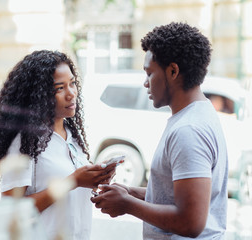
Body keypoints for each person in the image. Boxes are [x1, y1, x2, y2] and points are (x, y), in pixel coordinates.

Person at [91, 22, 228, 239]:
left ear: (173, 71)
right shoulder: (196, 114)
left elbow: (191, 222)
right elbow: (177, 198)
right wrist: (131, 193)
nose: (145, 83)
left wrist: (127, 205)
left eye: (149, 73)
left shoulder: (189, 130)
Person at [0, 50, 116, 240]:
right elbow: (11, 211)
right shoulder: (24, 142)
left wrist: (96, 178)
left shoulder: (73, 136)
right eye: (59, 88)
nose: (71, 94)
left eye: (72, 83)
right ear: (38, 95)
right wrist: (73, 181)